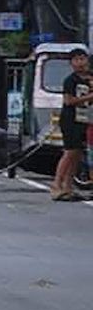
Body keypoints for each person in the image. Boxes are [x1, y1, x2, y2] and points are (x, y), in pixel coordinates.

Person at [52, 48, 93, 201]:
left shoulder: (90, 77)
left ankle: (68, 188)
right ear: (71, 63)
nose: (80, 63)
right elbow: (68, 101)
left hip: (86, 120)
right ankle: (57, 185)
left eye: (82, 59)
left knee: (77, 155)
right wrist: (89, 96)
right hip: (71, 120)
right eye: (76, 60)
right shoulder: (71, 80)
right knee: (69, 153)